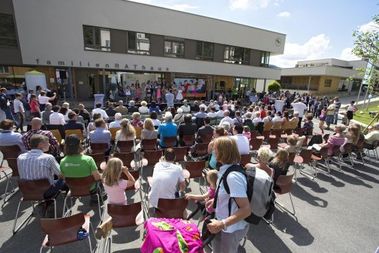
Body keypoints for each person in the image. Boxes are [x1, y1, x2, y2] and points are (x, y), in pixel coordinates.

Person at [206, 137, 251, 253]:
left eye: (215, 150)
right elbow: (227, 194)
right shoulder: (226, 170)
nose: (213, 152)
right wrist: (216, 201)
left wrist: (222, 224)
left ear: (222, 153)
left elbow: (246, 209)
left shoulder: (233, 177)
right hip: (223, 224)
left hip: (231, 228)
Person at [17, 134, 65, 199]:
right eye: (48, 143)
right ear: (41, 144)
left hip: (27, 191)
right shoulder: (48, 157)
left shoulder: (20, 157)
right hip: (46, 192)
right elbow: (61, 174)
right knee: (64, 179)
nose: (49, 145)